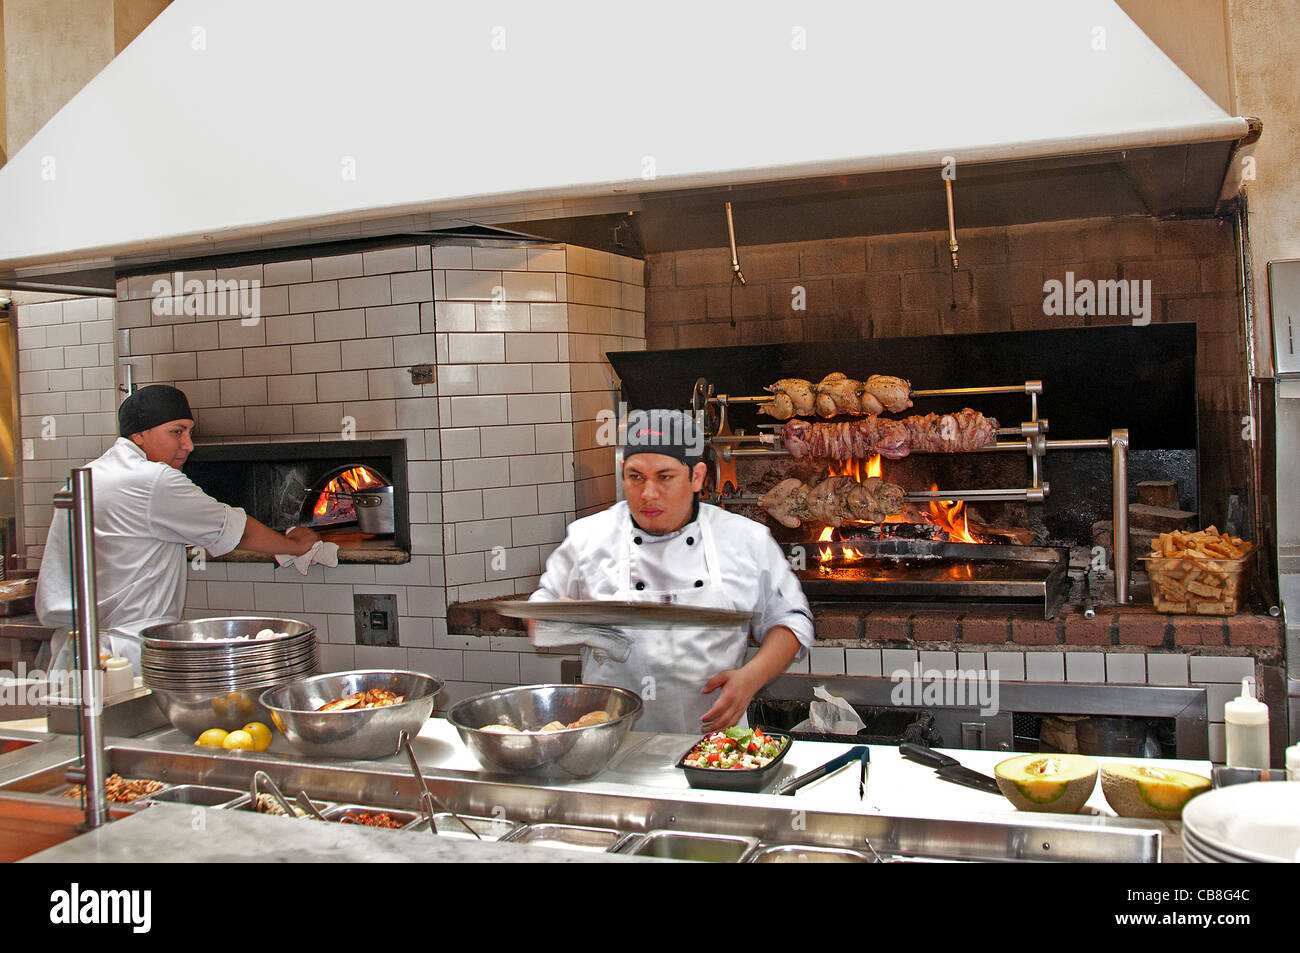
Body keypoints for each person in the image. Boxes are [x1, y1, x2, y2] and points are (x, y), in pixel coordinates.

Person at [529, 408, 813, 734]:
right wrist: (559, 617)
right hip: (613, 748)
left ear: (697, 477)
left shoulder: (745, 539)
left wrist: (752, 677)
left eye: (664, 477)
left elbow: (790, 620)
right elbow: (539, 620)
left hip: (715, 749)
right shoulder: (588, 538)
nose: (648, 493)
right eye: (635, 477)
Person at [35, 384, 321, 673]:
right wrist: (295, 545)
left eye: (189, 432)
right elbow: (236, 529)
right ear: (139, 434)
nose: (189, 445)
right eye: (177, 431)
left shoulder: (83, 479)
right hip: (124, 660)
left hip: (70, 659)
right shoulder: (154, 480)